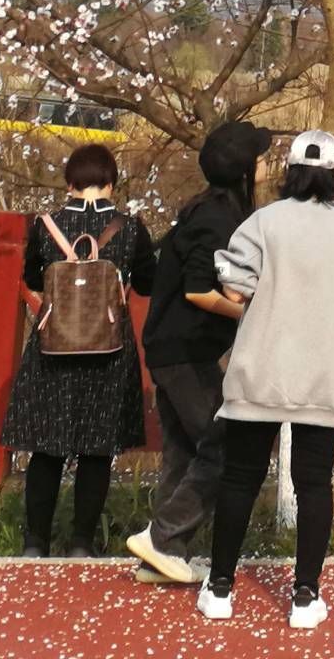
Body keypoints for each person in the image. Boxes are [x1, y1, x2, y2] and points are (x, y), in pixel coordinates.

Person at [196, 130, 334, 630]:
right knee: (314, 483)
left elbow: (234, 284)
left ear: (289, 173)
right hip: (326, 374)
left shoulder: (263, 222)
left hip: (262, 370)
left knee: (240, 477)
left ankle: (220, 587)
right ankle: (305, 596)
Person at [125, 120, 273, 586]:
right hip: (184, 351)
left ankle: (160, 555)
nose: (268, 164)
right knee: (227, 447)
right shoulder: (218, 219)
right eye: (262, 157)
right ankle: (163, 539)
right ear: (245, 169)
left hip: (173, 348)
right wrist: (250, 313)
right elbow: (196, 291)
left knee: (186, 451)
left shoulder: (208, 209)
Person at [1, 142, 157, 557]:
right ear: (111, 182)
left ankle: (35, 542)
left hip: (52, 349)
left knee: (46, 447)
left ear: (70, 182)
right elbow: (147, 283)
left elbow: (34, 276)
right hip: (108, 351)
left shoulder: (45, 225)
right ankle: (81, 543)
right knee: (95, 450)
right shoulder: (130, 228)